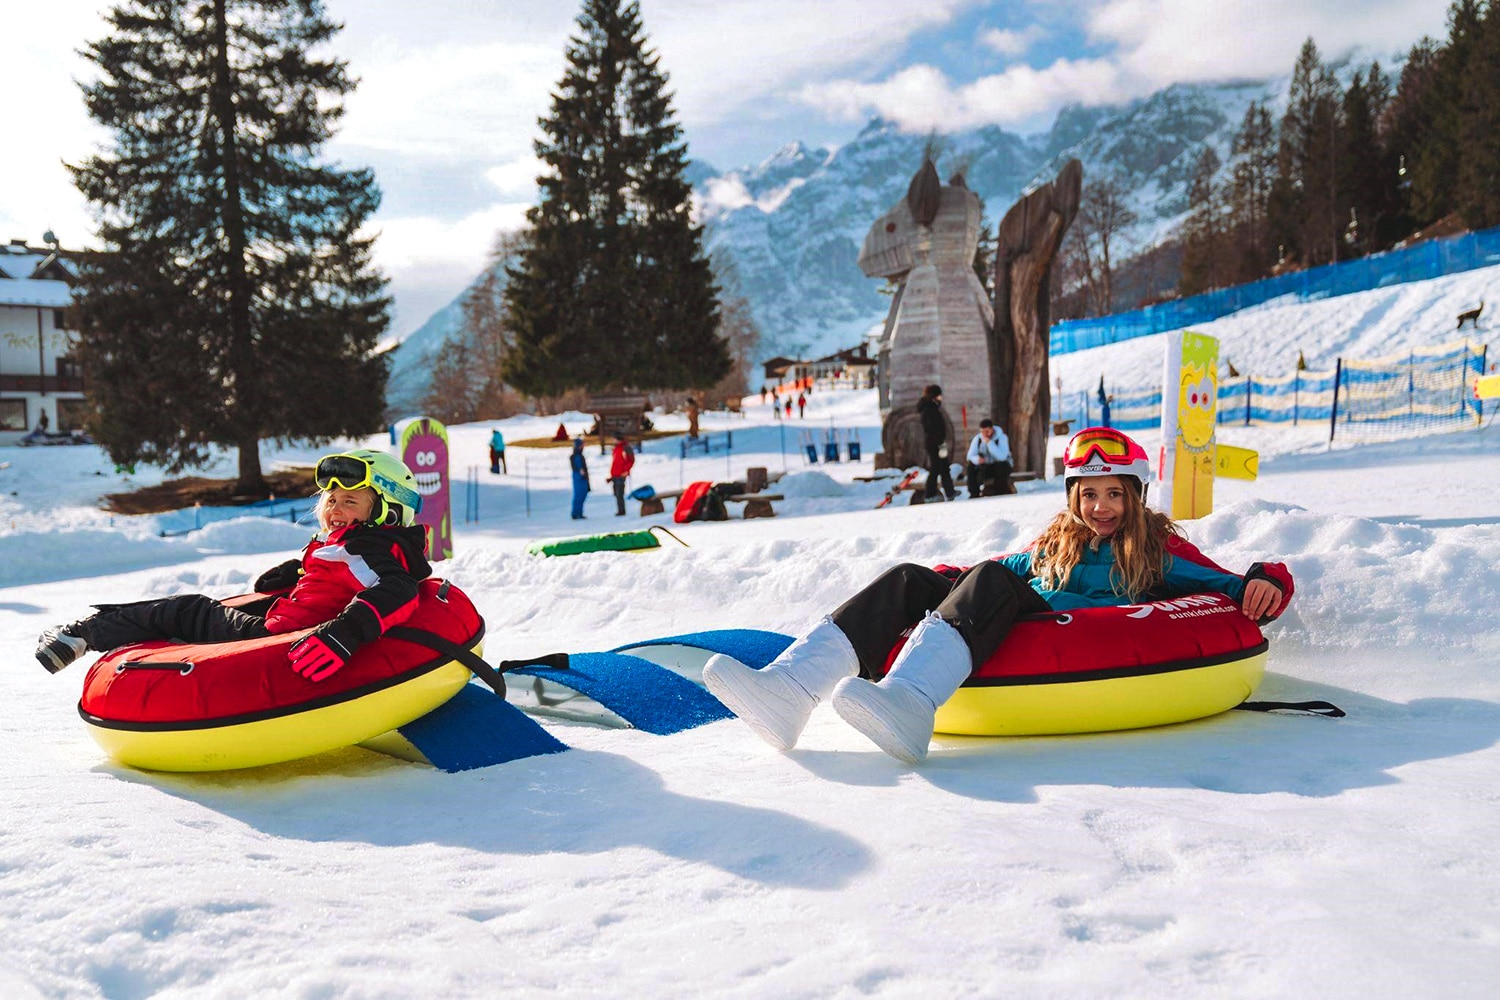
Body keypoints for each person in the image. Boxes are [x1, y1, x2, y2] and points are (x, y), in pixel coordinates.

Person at [703, 427, 1293, 764]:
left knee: (991, 582)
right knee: (910, 576)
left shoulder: (1156, 549)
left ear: (1135, 497)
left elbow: (1229, 583)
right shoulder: (1058, 541)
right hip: (1016, 600)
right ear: (1072, 499)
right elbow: (1002, 566)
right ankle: (789, 691)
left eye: (1114, 494)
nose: (1101, 508)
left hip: (1063, 627)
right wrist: (944, 578)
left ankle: (909, 702)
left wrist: (1266, 578)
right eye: (1088, 495)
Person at [35, 450, 430, 682]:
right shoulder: (357, 545)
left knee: (187, 609)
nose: (335, 509)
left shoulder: (371, 547)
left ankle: (83, 633)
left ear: (386, 511)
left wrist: (345, 634)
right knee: (223, 607)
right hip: (289, 625)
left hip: (283, 637)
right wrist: (296, 570)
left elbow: (398, 589)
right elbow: (341, 575)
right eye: (331, 500)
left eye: (350, 501)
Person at [917, 383, 956, 501]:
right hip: (934, 444)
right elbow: (931, 428)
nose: (941, 398)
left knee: (944, 467)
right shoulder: (928, 409)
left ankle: (950, 491)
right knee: (935, 468)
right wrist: (939, 441)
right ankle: (929, 494)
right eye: (939, 395)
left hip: (940, 443)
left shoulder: (934, 408)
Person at [965, 418, 1014, 498]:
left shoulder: (1002, 438)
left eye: (987, 431)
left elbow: (1002, 457)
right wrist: (977, 459)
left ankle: (1000, 492)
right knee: (971, 467)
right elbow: (970, 456)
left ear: (992, 429)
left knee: (1001, 466)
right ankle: (974, 494)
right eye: (982, 432)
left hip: (1000, 466)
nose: (984, 434)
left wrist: (990, 443)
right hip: (985, 466)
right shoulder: (978, 439)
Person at [609, 434, 635, 516]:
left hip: (621, 474)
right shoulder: (616, 448)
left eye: (614, 439)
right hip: (615, 474)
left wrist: (626, 470)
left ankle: (621, 510)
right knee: (616, 493)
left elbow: (631, 460)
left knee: (620, 493)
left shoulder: (625, 447)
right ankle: (620, 509)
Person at [569, 437, 590, 519]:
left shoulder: (579, 455)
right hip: (579, 478)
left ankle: (579, 512)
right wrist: (581, 471)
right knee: (579, 495)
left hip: (581, 478)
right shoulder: (576, 456)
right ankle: (576, 513)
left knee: (582, 495)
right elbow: (578, 467)